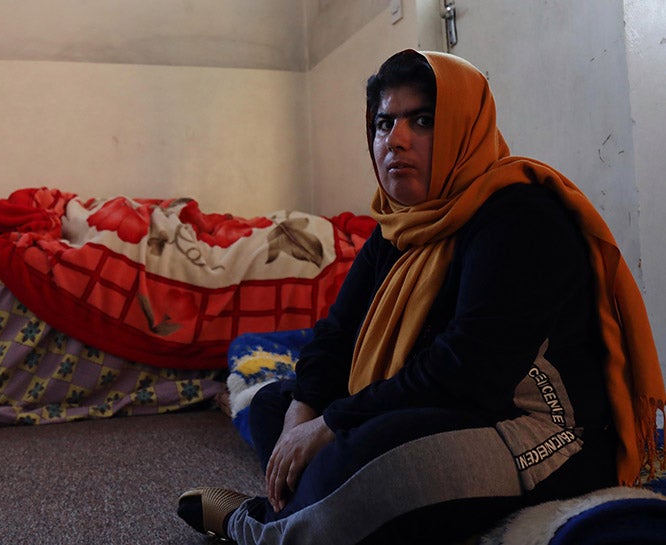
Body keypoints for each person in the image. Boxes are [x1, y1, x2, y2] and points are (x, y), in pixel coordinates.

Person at [177, 50, 666, 544]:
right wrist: (303, 415)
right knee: (276, 406)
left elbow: (466, 369)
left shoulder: (519, 215)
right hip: (442, 404)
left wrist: (332, 425)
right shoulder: (398, 224)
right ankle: (339, 499)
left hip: (533, 427)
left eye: (423, 121)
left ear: (464, 129)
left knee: (370, 456)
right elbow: (337, 332)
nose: (396, 139)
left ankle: (255, 526)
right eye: (384, 123)